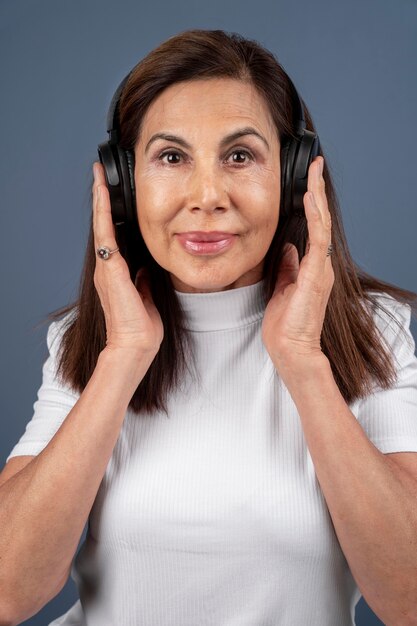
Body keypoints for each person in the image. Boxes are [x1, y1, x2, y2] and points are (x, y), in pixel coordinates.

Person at [1, 28, 416, 626]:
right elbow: (8, 591)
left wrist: (302, 359)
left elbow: (409, 598)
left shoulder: (373, 330)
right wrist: (120, 359)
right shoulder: (85, 340)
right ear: (121, 186)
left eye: (240, 156)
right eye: (171, 158)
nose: (207, 196)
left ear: (296, 178)